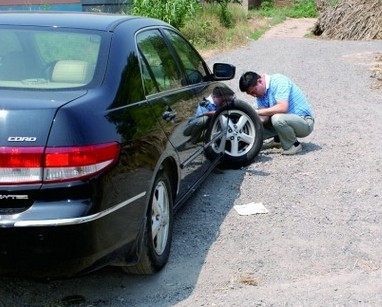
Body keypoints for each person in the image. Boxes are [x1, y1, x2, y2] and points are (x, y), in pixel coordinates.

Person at [239, 71, 314, 155]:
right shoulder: (260, 94)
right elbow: (264, 119)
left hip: (304, 122)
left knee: (277, 118)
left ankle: (293, 145)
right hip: (288, 119)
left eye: (254, 91)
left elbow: (283, 107)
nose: (254, 95)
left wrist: (257, 112)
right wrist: (248, 126)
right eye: (251, 94)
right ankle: (278, 140)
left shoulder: (278, 81)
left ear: (260, 81)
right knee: (253, 108)